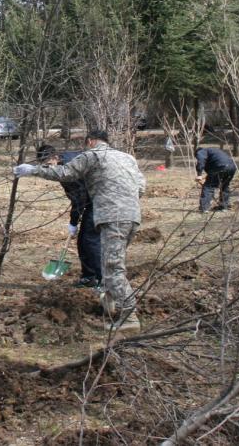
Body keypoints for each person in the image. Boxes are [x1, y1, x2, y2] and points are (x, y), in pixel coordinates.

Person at [15, 130, 146, 334]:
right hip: (132, 216)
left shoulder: (92, 155)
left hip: (112, 217)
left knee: (113, 267)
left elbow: (65, 173)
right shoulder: (127, 157)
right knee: (109, 262)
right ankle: (109, 302)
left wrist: (33, 170)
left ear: (90, 141)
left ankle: (129, 317)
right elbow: (141, 187)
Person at [37, 144, 101, 288]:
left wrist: (73, 221)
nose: (48, 169)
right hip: (92, 200)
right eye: (45, 167)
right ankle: (89, 277)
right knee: (84, 241)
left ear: (55, 157)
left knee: (90, 241)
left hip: (100, 201)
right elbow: (76, 196)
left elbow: (79, 197)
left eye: (48, 164)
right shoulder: (63, 164)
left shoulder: (69, 167)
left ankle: (99, 279)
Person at [194, 147, 237, 212]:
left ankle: (204, 208)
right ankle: (224, 206)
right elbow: (213, 166)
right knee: (225, 186)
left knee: (208, 187)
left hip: (219, 167)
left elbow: (201, 161)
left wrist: (199, 174)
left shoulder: (201, 151)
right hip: (232, 167)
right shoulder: (213, 151)